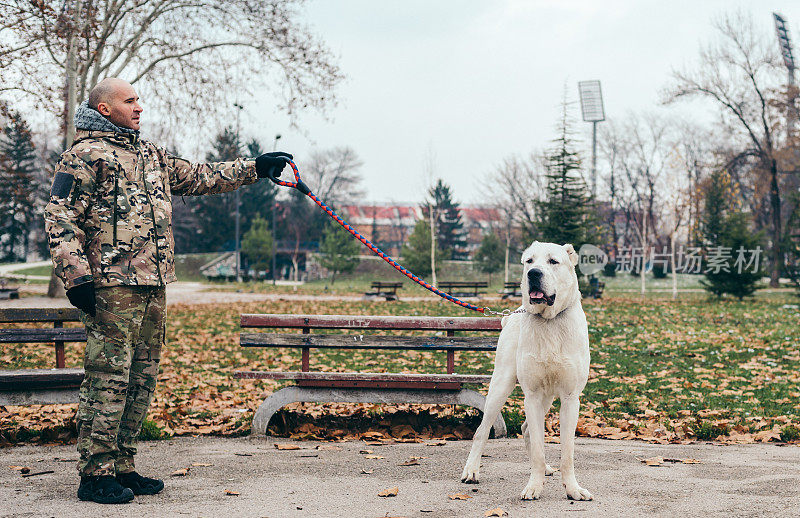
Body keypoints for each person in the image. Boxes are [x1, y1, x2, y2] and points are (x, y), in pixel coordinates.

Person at [44, 78, 291, 504]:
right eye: (130, 101)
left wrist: (255, 167)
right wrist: (77, 277)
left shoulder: (150, 154)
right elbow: (60, 218)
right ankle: (95, 473)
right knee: (109, 378)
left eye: (139, 99)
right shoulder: (83, 157)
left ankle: (123, 465)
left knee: (141, 377)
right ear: (105, 109)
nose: (139, 107)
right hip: (111, 287)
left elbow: (199, 176)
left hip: (153, 285)